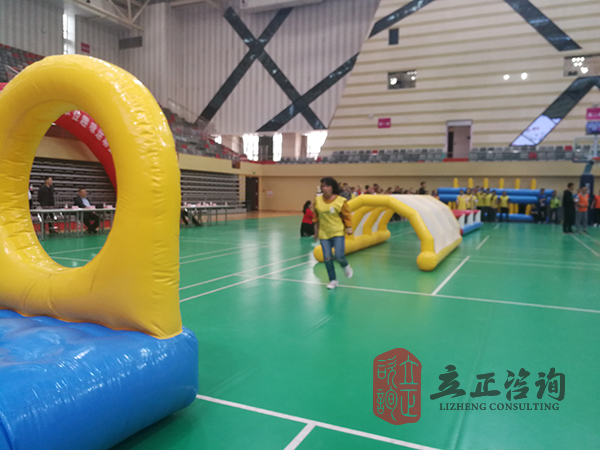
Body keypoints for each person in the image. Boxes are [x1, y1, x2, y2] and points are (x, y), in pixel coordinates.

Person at [313, 177, 353, 289]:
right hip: (324, 234)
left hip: (337, 232)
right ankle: (333, 280)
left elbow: (347, 215)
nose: (325, 188)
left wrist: (349, 227)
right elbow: (316, 217)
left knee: (339, 255)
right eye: (323, 186)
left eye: (327, 186)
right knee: (327, 258)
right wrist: (316, 232)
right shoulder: (318, 200)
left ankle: (345, 266)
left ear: (332, 188)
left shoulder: (341, 201)